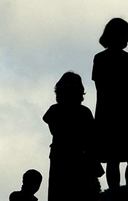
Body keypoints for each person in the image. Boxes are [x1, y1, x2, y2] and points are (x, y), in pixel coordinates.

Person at [92, 17, 128, 194]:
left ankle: (115, 192)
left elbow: (101, 89)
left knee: (113, 158)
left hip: (107, 115)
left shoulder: (100, 59)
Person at [42, 71, 101, 201]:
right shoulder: (84, 112)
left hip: (60, 155)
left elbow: (53, 129)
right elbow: (91, 140)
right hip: (79, 157)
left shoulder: (55, 110)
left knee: (58, 193)